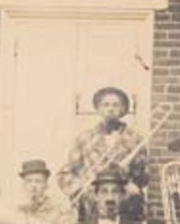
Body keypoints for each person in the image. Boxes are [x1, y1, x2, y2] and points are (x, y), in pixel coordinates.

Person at [57, 86, 150, 214]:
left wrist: (134, 187)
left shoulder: (135, 139)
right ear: (98, 109)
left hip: (124, 205)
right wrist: (80, 187)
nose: (110, 109)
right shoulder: (84, 138)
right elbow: (66, 173)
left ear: (123, 109)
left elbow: (143, 175)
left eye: (116, 105)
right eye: (105, 105)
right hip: (92, 205)